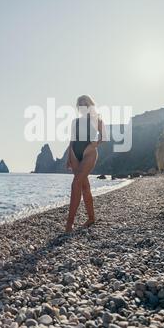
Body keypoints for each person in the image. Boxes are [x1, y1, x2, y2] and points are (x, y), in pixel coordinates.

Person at [65, 95, 106, 232]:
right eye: (80, 104)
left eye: (85, 103)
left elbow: (104, 137)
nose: (83, 106)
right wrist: (68, 157)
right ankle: (91, 217)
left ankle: (69, 224)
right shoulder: (75, 122)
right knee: (84, 186)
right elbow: (71, 140)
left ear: (90, 105)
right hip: (74, 154)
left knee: (76, 183)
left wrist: (93, 145)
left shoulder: (98, 120)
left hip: (89, 153)